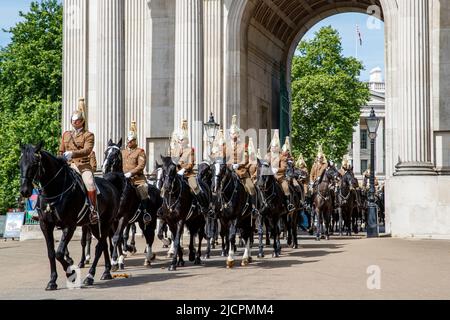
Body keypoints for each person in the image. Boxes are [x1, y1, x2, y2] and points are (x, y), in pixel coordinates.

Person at [59, 98, 98, 224]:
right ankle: (46, 210)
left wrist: (73, 153)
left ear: (82, 121)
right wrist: (60, 158)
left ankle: (93, 210)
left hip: (82, 165)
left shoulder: (88, 135)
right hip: (67, 165)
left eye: (77, 121)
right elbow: (60, 150)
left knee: (90, 183)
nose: (75, 123)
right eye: (73, 120)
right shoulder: (66, 134)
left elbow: (87, 150)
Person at [172, 120, 209, 214]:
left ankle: (202, 206)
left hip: (188, 174)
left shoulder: (190, 150)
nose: (180, 142)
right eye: (179, 140)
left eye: (182, 140)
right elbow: (172, 162)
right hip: (176, 174)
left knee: (195, 187)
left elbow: (191, 163)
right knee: (165, 187)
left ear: (186, 140)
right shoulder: (175, 150)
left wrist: (183, 169)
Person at [227, 115, 258, 216]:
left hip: (241, 172)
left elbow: (246, 158)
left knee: (251, 187)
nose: (234, 135)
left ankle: (254, 209)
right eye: (232, 133)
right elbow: (223, 158)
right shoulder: (226, 146)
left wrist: (238, 164)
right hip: (228, 171)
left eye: (235, 133)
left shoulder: (243, 145)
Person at [122, 121, 152, 224]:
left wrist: (130, 173)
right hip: (124, 179)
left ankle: (145, 213)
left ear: (135, 141)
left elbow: (141, 166)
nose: (129, 142)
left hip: (137, 180)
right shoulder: (123, 152)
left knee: (143, 190)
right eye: (128, 140)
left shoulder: (140, 151)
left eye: (131, 141)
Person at [265, 130, 294, 212]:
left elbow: (284, 167)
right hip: (270, 176)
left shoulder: (282, 156)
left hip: (279, 177)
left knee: (286, 187)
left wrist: (276, 169)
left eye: (275, 147)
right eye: (272, 147)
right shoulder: (267, 156)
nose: (273, 148)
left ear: (278, 147)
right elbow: (265, 165)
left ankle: (289, 204)